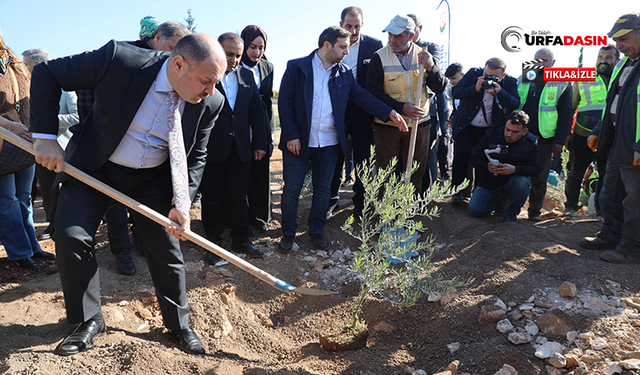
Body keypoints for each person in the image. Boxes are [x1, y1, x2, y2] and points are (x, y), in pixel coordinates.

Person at [30, 34, 226, 355]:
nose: (211, 92)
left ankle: (179, 325)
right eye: (206, 81)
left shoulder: (210, 104)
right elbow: (47, 73)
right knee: (70, 236)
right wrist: (45, 136)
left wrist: (182, 202)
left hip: (153, 180)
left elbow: (197, 156)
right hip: (96, 167)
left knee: (166, 249)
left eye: (216, 83)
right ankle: (88, 320)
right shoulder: (120, 60)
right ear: (178, 64)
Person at [277, 26, 406, 253]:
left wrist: (390, 112)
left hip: (330, 143)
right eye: (343, 47)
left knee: (324, 190)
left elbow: (363, 97)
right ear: (327, 45)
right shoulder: (296, 67)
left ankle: (316, 230)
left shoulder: (344, 72)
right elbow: (284, 103)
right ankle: (287, 233)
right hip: (299, 143)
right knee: (292, 190)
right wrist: (292, 135)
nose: (347, 51)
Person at [199, 33, 267, 265]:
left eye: (238, 55)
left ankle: (241, 239)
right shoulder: (205, 75)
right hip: (212, 149)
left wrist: (260, 143)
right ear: (218, 50)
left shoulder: (247, 76)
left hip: (241, 149)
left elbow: (257, 113)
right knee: (213, 197)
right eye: (229, 54)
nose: (234, 60)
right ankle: (213, 243)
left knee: (239, 196)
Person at [580, 13, 640, 263]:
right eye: (616, 40)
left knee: (634, 201)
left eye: (624, 39)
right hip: (617, 142)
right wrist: (598, 132)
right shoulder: (624, 64)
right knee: (609, 193)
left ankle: (631, 248)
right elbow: (611, 103)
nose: (619, 46)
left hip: (635, 146)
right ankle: (610, 235)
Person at [367, 15, 447, 193]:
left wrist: (431, 67)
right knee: (385, 173)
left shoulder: (424, 55)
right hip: (388, 125)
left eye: (398, 36)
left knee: (415, 171)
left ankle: (408, 214)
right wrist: (401, 107)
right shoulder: (379, 57)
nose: (392, 40)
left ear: (411, 36)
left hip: (420, 125)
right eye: (390, 35)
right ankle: (385, 216)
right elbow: (373, 93)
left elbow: (440, 88)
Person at [0, 30, 56, 269]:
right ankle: (19, 252)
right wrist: (9, 125)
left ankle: (33, 247)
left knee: (24, 198)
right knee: (7, 200)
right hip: (3, 140)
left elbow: (29, 97)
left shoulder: (11, 60)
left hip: (24, 140)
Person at [328, 6, 383, 217]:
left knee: (363, 160)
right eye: (348, 26)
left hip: (364, 112)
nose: (352, 31)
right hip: (336, 111)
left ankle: (361, 202)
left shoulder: (374, 46)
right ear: (341, 24)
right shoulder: (330, 43)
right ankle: (332, 199)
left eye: (357, 26)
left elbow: (378, 84)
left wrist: (375, 115)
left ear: (362, 25)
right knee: (335, 157)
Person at [22, 49, 79, 242]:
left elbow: (76, 116)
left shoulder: (65, 89)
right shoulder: (27, 89)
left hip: (64, 147)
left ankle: (74, 226)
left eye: (26, 65)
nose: (23, 69)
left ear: (37, 65)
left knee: (72, 189)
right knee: (48, 190)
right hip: (39, 149)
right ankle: (53, 225)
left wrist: (45, 122)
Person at [450, 58, 520, 204]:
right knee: (462, 155)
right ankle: (457, 191)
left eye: (493, 77)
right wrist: (474, 88)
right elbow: (455, 92)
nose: (488, 78)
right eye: (486, 74)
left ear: (503, 76)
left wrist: (500, 92)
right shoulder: (473, 74)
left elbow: (515, 103)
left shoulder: (510, 82)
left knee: (484, 160)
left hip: (490, 128)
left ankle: (478, 194)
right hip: (467, 125)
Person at [518, 48, 573, 221]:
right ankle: (509, 209)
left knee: (540, 177)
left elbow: (566, 115)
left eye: (544, 61)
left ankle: (534, 212)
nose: (539, 64)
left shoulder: (562, 83)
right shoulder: (524, 78)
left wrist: (559, 141)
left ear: (553, 63)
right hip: (522, 135)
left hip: (545, 138)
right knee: (515, 173)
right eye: (537, 60)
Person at [563, 45, 618, 217]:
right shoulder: (584, 76)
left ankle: (601, 210)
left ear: (617, 59)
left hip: (610, 135)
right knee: (575, 173)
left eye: (608, 57)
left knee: (606, 174)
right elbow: (570, 106)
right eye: (601, 56)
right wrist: (567, 133)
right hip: (582, 133)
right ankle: (570, 206)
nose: (603, 60)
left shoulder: (622, 77)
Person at [468, 111, 541, 223]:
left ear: (524, 132)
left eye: (515, 132)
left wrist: (515, 169)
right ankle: (498, 204)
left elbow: (535, 169)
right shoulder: (492, 134)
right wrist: (486, 167)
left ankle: (511, 214)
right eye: (507, 129)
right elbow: (474, 159)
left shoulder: (531, 143)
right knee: (475, 210)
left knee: (522, 181)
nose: (509, 134)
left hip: (512, 184)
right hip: (489, 184)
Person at [406, 13, 449, 191]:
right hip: (401, 110)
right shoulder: (394, 48)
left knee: (426, 156)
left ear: (419, 29)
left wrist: (430, 64)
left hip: (425, 113)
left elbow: (437, 83)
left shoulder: (430, 47)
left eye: (411, 30)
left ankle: (424, 195)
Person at [240, 25, 275, 234]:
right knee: (241, 175)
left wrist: (268, 133)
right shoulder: (234, 66)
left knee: (261, 175)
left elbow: (268, 101)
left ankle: (260, 217)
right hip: (241, 127)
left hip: (261, 128)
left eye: (261, 48)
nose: (257, 52)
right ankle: (240, 218)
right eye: (252, 47)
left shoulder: (267, 67)